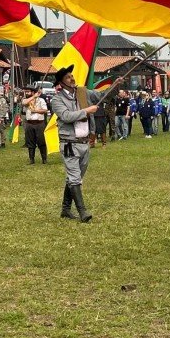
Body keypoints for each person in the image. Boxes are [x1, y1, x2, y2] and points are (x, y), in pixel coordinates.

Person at [50, 65, 110, 222]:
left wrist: (116, 85)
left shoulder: (83, 93)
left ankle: (65, 209)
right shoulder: (57, 99)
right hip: (69, 143)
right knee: (75, 178)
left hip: (84, 143)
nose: (72, 78)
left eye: (72, 76)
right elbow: (66, 116)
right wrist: (86, 111)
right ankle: (83, 212)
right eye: (68, 77)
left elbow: (100, 95)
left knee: (74, 178)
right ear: (61, 83)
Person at [22, 85, 48, 164]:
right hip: (29, 123)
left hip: (39, 123)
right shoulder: (26, 100)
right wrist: (33, 97)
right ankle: (31, 159)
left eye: (28, 91)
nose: (26, 93)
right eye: (26, 91)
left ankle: (44, 159)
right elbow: (24, 103)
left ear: (33, 92)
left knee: (41, 141)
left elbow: (45, 110)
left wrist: (36, 111)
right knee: (30, 142)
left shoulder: (41, 100)